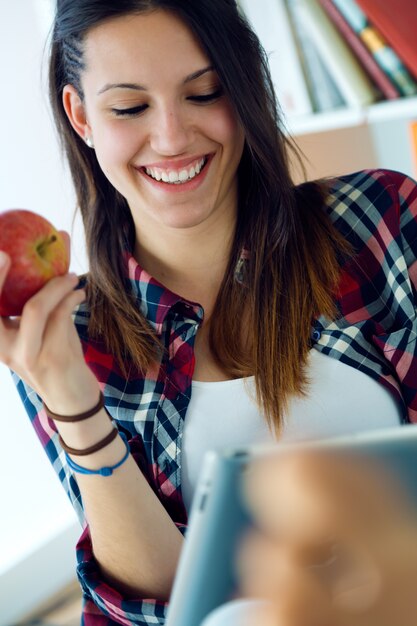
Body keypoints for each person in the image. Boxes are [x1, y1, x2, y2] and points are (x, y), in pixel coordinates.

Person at [1, 0, 417, 624]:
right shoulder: (66, 337)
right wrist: (69, 399)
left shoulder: (380, 220)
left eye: (204, 93)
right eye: (130, 107)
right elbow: (152, 611)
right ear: (81, 115)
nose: (171, 137)